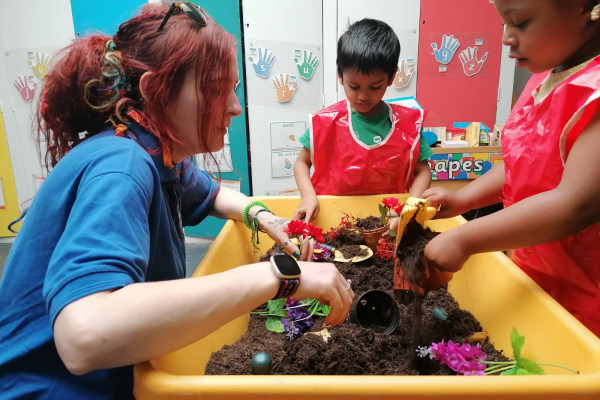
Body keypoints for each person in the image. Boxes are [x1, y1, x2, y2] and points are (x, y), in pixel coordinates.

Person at [0, 3, 354, 398]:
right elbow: (83, 336)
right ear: (156, 91)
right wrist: (280, 276)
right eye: (218, 89)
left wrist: (266, 218)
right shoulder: (123, 164)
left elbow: (215, 193)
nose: (235, 107)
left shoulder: (156, 152)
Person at [423, 0, 600, 337]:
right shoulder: (544, 78)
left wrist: (465, 239)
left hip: (584, 295)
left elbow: (575, 204)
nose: (506, 37)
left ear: (586, 8)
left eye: (520, 22)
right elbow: (523, 161)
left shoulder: (594, 93)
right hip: (532, 272)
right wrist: (464, 200)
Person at [293, 18, 432, 223]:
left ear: (392, 76)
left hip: (387, 223)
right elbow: (301, 163)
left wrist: (409, 208)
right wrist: (307, 196)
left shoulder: (406, 126)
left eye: (375, 87)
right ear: (340, 75)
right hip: (331, 220)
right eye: (354, 86)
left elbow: (423, 171)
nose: (363, 96)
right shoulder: (326, 122)